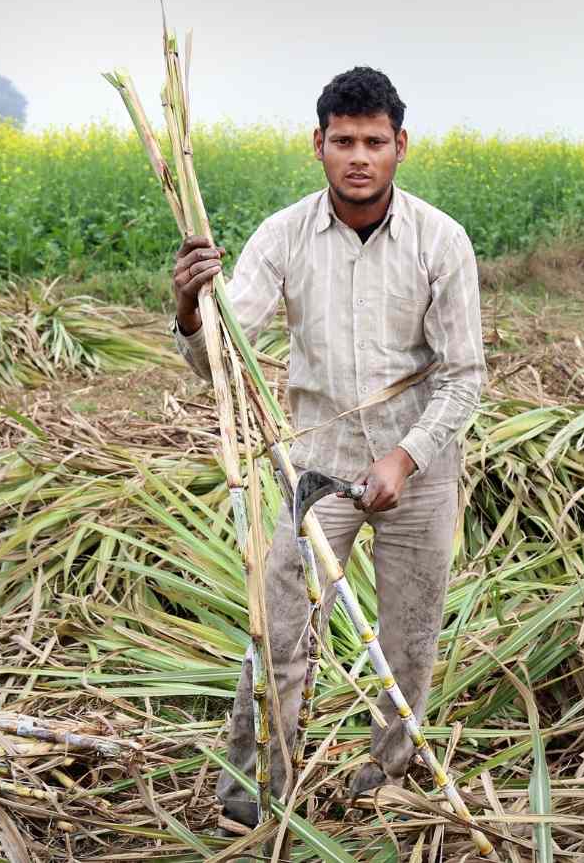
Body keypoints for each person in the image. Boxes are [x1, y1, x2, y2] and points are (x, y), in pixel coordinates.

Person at [169, 66, 485, 832]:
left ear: (400, 146)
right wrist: (187, 306)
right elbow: (223, 356)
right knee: (277, 631)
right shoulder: (282, 237)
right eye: (343, 140)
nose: (359, 156)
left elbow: (465, 378)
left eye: (374, 141)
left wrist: (404, 459)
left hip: (420, 469)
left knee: (408, 639)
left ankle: (384, 774)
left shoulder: (440, 241)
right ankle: (254, 789)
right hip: (317, 467)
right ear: (318, 144)